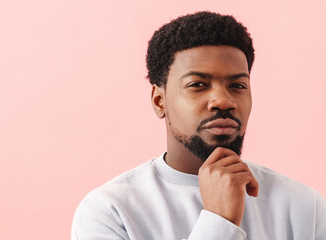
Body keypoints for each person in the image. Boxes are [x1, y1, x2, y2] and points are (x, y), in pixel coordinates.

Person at [71, 11, 326, 240]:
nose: (223, 101)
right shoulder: (109, 212)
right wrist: (219, 221)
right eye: (198, 85)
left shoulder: (304, 206)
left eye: (238, 86)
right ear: (159, 101)